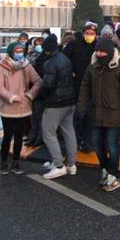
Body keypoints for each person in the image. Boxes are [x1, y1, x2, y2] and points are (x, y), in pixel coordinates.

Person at [78, 39, 120, 192]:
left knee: (112, 144)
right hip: (96, 113)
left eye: (102, 51)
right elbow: (85, 86)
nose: (99, 54)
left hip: (115, 114)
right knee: (97, 144)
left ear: (109, 52)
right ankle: (105, 168)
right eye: (97, 51)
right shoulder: (93, 66)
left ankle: (114, 175)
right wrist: (81, 107)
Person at [0, 42, 42, 175]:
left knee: (19, 136)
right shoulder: (2, 66)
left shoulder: (26, 65)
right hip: (7, 107)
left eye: (21, 51)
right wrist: (11, 97)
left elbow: (38, 81)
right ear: (11, 52)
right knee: (7, 136)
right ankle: (3, 162)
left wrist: (30, 95)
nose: (20, 53)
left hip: (23, 107)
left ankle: (15, 162)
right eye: (17, 51)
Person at [39, 35, 78, 179]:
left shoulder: (49, 63)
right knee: (69, 132)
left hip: (55, 103)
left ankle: (59, 165)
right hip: (70, 101)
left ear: (47, 50)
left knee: (48, 133)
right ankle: (71, 164)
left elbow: (48, 85)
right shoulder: (65, 58)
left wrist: (41, 94)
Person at [63, 21, 98, 152]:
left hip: (93, 86)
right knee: (77, 115)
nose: (89, 35)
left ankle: (87, 141)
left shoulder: (98, 46)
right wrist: (70, 72)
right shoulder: (74, 45)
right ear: (83, 33)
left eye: (92, 34)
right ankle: (75, 140)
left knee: (90, 116)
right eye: (87, 33)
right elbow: (64, 59)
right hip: (76, 85)